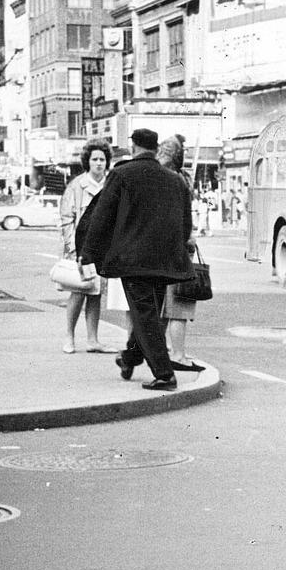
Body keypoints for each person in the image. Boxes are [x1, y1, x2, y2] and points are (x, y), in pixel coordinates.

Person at [78, 127, 193, 391]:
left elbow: (102, 217)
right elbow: (185, 225)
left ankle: (165, 375)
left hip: (133, 261)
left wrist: (88, 253)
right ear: (155, 148)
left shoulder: (121, 174)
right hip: (166, 261)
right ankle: (129, 357)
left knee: (144, 315)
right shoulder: (175, 180)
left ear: (133, 147)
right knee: (149, 314)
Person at [158, 136, 206, 374]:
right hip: (178, 251)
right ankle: (178, 355)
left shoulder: (156, 178)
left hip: (160, 252)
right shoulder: (179, 180)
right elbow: (181, 219)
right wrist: (189, 239)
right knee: (180, 305)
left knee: (165, 307)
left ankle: (156, 352)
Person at [57, 141, 111, 353]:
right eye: (95, 159)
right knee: (78, 291)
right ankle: (69, 337)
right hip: (80, 247)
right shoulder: (76, 185)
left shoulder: (109, 184)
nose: (99, 163)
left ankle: (92, 339)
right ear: (87, 161)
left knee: (95, 293)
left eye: (102, 159)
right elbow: (66, 218)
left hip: (102, 248)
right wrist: (72, 248)